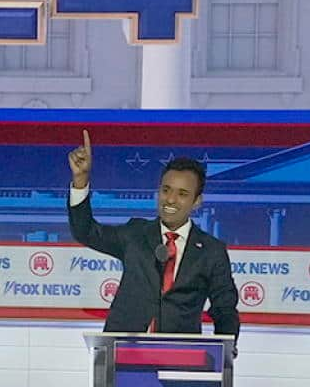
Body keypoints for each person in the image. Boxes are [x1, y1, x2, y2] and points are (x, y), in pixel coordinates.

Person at [66, 133, 241, 337]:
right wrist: (80, 181)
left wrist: (227, 349)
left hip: (180, 356)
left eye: (182, 194)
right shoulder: (135, 234)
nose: (171, 200)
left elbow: (225, 308)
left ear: (197, 201)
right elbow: (85, 232)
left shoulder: (212, 251)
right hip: (124, 350)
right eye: (166, 190)